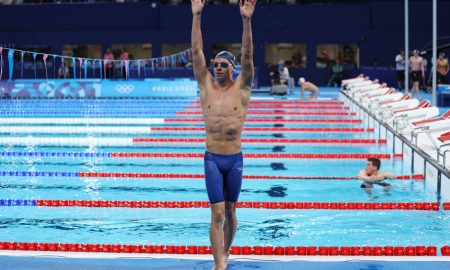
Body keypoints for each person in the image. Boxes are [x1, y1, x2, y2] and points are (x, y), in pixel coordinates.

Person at [191, 1, 256, 269]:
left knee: (230, 211)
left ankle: (226, 251)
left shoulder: (242, 88)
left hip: (235, 159)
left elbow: (248, 56)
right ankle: (219, 264)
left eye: (221, 64)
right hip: (212, 160)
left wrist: (246, 21)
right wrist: (196, 16)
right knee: (216, 212)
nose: (216, 67)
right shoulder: (206, 86)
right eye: (214, 64)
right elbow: (196, 52)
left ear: (232, 67)